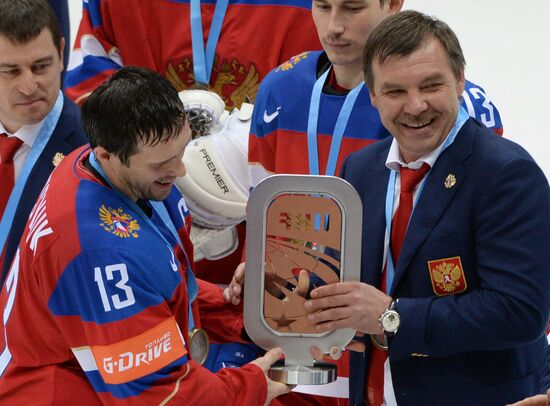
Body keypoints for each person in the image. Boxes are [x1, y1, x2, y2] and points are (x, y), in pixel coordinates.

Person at [232, 0, 502, 403]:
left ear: (392, 4)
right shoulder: (279, 88)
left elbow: (490, 248)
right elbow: (266, 216)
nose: (334, 26)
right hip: (297, 351)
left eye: (353, 8)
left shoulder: (440, 106)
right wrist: (260, 269)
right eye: (322, 6)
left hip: (403, 357)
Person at [0, 66, 291, 404]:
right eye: (159, 165)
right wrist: (253, 386)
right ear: (107, 154)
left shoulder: (88, 162)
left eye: (181, 151)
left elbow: (155, 282)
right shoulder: (102, 254)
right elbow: (162, 396)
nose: (179, 170)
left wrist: (234, 310)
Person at [302, 10, 550, 405]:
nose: (415, 106)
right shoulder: (360, 168)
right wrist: (289, 282)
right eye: (396, 91)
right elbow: (350, 280)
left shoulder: (507, 172)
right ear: (373, 95)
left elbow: (518, 312)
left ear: (460, 80)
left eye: (431, 85)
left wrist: (390, 317)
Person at [64, 0, 321, 108]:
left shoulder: (319, 7)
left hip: (261, 188)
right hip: (144, 197)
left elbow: (332, 98)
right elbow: (89, 91)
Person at [0, 0, 87, 287]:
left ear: (62, 53)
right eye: (10, 71)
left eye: (41, 67)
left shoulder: (93, 150)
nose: (28, 86)